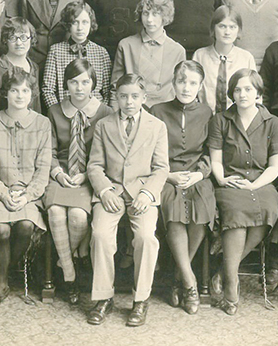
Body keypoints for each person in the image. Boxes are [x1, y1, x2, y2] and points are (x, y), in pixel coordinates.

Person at [86, 74, 169, 327]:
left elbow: (161, 168)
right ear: (116, 98)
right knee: (100, 234)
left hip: (142, 194)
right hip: (111, 192)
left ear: (144, 98)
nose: (129, 102)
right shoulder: (104, 125)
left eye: (135, 96)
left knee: (145, 237)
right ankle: (103, 297)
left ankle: (140, 299)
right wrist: (104, 191)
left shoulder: (157, 126)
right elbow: (95, 166)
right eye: (123, 96)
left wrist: (147, 193)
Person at [0, 70, 52, 312]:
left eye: (25, 90)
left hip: (29, 194)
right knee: (2, 229)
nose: (19, 95)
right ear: (5, 93)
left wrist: (27, 195)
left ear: (32, 94)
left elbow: (43, 169)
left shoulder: (42, 123)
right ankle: (1, 286)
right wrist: (4, 194)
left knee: (26, 226)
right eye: (14, 90)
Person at [208, 69, 278, 315]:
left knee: (268, 210)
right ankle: (232, 285)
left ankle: (223, 270)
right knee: (237, 214)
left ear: (258, 92)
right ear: (231, 93)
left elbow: (275, 166)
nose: (243, 94)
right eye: (238, 89)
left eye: (249, 89)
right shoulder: (220, 120)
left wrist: (255, 184)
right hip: (230, 183)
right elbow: (216, 161)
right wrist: (222, 180)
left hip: (261, 183)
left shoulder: (272, 122)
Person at [43, 59, 112, 304]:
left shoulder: (104, 112)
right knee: (55, 212)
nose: (79, 88)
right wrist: (58, 173)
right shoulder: (54, 112)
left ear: (93, 83)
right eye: (73, 82)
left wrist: (86, 175)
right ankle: (70, 275)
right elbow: (48, 151)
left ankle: (63, 260)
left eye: (85, 82)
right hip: (60, 174)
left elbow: (106, 153)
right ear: (65, 84)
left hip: (87, 177)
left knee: (78, 216)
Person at [150, 61, 215, 315]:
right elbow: (149, 153)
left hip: (197, 176)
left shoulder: (207, 113)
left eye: (192, 83)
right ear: (173, 82)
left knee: (203, 204)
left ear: (200, 86)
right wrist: (169, 175)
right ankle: (190, 283)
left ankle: (179, 276)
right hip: (166, 176)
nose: (186, 87)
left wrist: (199, 174)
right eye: (181, 81)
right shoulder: (157, 110)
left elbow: (212, 152)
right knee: (173, 208)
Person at [110, 0, 186, 109]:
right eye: (146, 13)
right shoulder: (126, 45)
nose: (149, 19)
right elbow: (116, 87)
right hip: (132, 109)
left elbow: (179, 90)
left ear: (165, 16)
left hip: (165, 112)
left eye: (155, 14)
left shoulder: (177, 50)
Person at [42, 1, 111, 108]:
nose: (80, 28)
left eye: (85, 22)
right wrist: (58, 114)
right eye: (75, 22)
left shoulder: (101, 53)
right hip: (64, 113)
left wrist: (99, 113)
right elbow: (48, 90)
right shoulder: (56, 51)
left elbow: (107, 92)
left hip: (95, 115)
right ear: (68, 25)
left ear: (91, 24)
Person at [193, 6, 256, 114]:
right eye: (222, 26)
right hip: (206, 117)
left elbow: (254, 96)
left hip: (236, 119)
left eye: (232, 27)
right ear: (213, 28)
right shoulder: (200, 56)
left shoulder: (246, 58)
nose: (227, 32)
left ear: (238, 30)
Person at [0, 17, 42, 117]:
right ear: (5, 40)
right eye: (13, 38)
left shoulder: (34, 67)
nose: (19, 43)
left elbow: (36, 105)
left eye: (23, 37)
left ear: (31, 38)